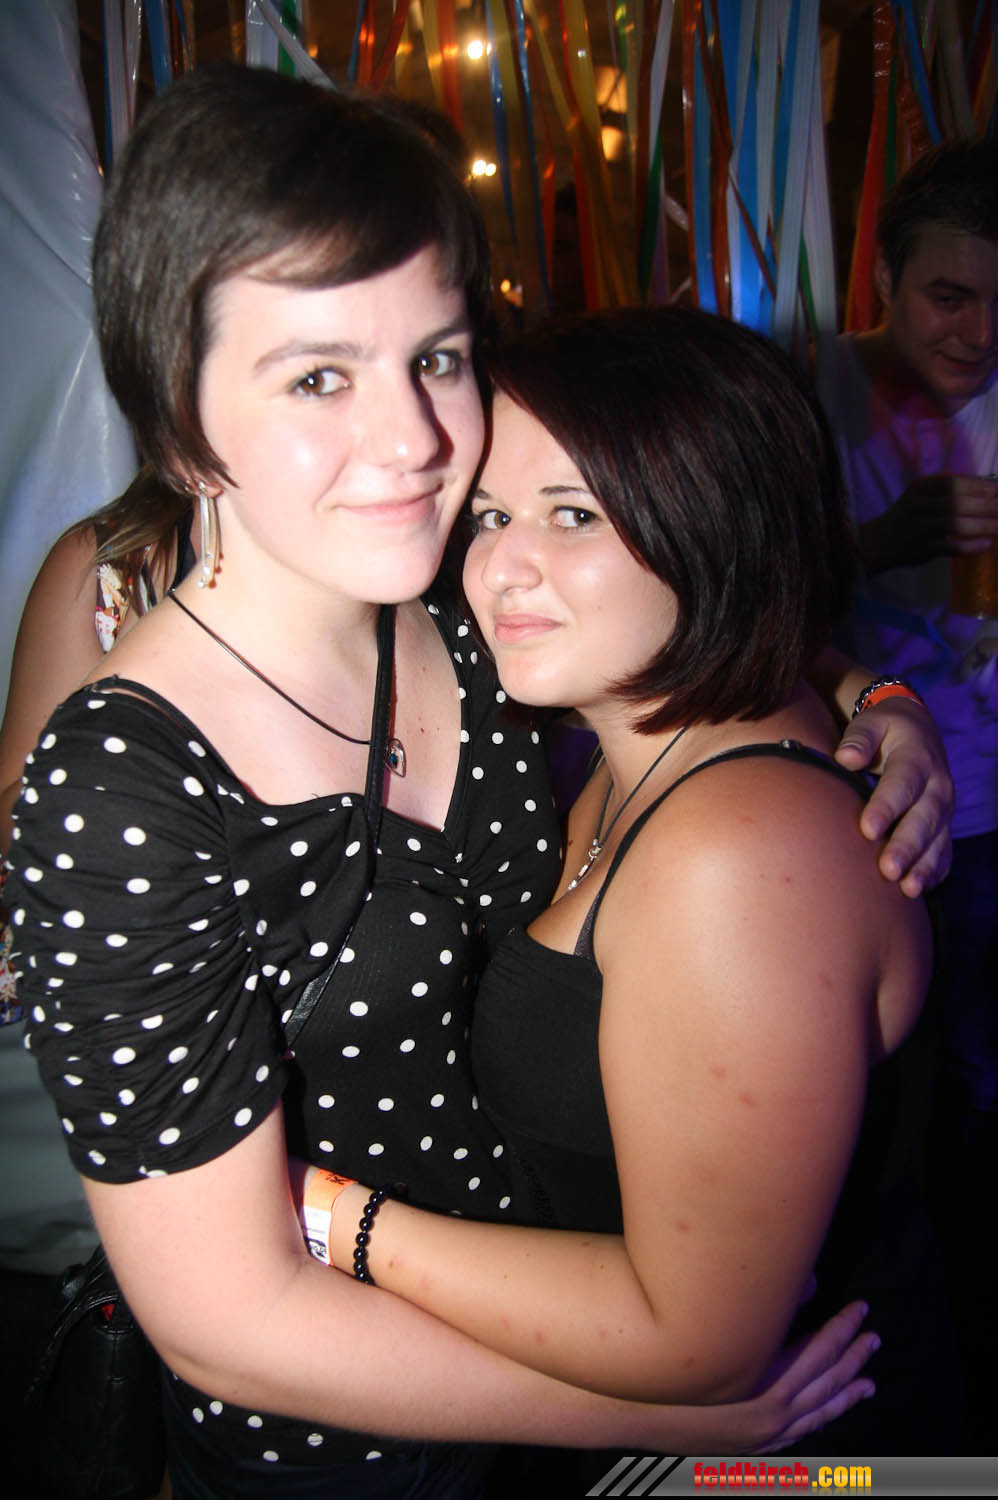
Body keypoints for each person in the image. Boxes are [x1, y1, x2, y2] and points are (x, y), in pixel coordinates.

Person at [5, 63, 954, 1498]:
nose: (416, 442)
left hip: (584, 1325)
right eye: (318, 375)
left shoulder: (450, 589)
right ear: (180, 415)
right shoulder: (122, 788)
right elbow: (222, 1320)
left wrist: (876, 700)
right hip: (362, 1444)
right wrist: (667, 1413)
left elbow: (677, 582)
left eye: (438, 358)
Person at [286, 307, 960, 1459]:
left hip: (804, 1466)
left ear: (712, 525)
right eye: (489, 514)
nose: (501, 567)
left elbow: (697, 1341)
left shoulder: (734, 857)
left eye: (572, 514)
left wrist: (318, 1212)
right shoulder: (652, 739)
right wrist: (884, 695)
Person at [821, 137, 997, 1446]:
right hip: (881, 822)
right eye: (948, 295)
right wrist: (876, 544)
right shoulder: (808, 393)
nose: (978, 333)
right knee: (899, 1120)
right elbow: (742, 595)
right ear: (882, 277)